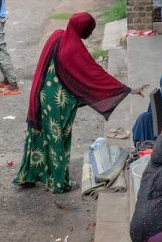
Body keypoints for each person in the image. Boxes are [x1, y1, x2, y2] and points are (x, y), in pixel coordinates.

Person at [15, 12, 145, 193]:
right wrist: (126, 89)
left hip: (43, 96)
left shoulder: (57, 36)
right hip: (59, 102)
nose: (90, 34)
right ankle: (59, 183)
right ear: (81, 29)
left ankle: (30, 175)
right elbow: (94, 74)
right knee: (58, 140)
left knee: (40, 136)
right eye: (89, 30)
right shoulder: (74, 48)